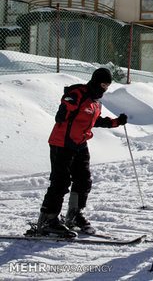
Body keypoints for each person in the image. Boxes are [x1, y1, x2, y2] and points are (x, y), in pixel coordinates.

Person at [37, 67, 127, 237]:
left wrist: (116, 122)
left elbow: (95, 121)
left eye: (107, 86)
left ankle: (74, 215)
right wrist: (65, 109)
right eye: (103, 84)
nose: (105, 89)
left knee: (83, 180)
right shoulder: (79, 93)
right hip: (62, 142)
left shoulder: (95, 101)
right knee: (60, 181)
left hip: (80, 143)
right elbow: (64, 109)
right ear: (95, 81)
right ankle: (48, 219)